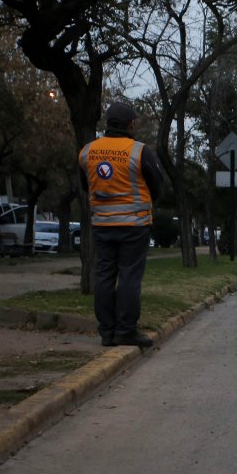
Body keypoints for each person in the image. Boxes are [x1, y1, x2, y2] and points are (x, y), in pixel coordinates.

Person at [78, 102, 164, 347]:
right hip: (134, 226)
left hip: (102, 224)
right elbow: (157, 185)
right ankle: (125, 330)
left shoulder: (87, 152)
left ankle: (107, 331)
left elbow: (87, 186)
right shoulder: (139, 151)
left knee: (104, 275)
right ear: (131, 124)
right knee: (129, 277)